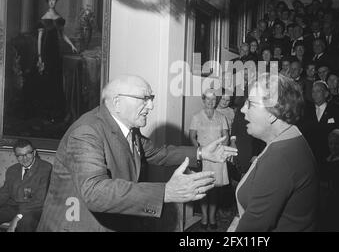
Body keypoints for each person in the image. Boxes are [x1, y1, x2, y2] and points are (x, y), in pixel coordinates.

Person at [37, 75, 237, 232]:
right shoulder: (87, 132)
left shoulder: (128, 128)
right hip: (77, 226)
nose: (150, 106)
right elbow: (94, 192)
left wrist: (201, 152)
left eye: (151, 99)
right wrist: (165, 192)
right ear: (117, 103)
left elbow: (158, 153)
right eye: (145, 98)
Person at [228, 73, 318, 232]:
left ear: (271, 113)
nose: (242, 109)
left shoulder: (280, 159)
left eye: (250, 104)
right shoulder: (291, 137)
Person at [190, 89, 230, 230]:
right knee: (204, 189)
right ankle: (204, 217)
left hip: (217, 158)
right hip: (203, 157)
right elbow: (192, 137)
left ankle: (212, 218)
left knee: (214, 189)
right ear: (203, 100)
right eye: (208, 99)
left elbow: (226, 137)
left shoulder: (221, 117)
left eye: (214, 100)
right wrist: (199, 152)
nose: (211, 102)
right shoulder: (196, 117)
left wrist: (222, 151)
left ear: (216, 101)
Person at [36, 0, 78, 122]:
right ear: (47, 1)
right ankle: (47, 113)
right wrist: (39, 57)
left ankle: (57, 113)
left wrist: (71, 44)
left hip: (56, 53)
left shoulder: (59, 19)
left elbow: (62, 35)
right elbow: (39, 39)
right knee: (48, 82)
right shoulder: (43, 19)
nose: (51, 2)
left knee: (56, 81)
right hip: (46, 53)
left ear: (56, 0)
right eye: (49, 0)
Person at [0, 139, 52, 232]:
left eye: (28, 153)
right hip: (13, 206)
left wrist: (17, 217)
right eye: (20, 155)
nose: (25, 158)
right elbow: (4, 193)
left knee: (25, 222)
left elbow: (40, 201)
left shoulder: (46, 168)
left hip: (35, 209)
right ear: (16, 156)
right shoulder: (12, 170)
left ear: (34, 152)